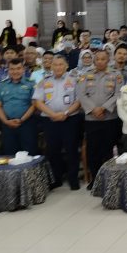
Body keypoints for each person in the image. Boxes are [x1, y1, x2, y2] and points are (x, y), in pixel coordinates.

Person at [32, 55, 83, 190]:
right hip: (50, 120)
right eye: (55, 64)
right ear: (51, 66)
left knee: (71, 149)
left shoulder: (74, 80)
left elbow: (79, 101)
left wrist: (65, 113)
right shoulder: (44, 81)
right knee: (52, 150)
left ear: (66, 66)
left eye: (61, 64)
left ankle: (73, 179)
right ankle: (56, 178)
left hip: (70, 119)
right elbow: (38, 102)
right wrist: (53, 114)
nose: (58, 67)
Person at [78, 50, 123, 189]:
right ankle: (95, 180)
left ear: (108, 60)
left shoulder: (116, 74)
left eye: (103, 59)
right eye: (97, 59)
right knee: (93, 150)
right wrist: (94, 109)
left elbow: (118, 94)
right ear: (94, 60)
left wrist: (103, 108)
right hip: (91, 119)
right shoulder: (85, 75)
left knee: (109, 150)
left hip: (110, 118)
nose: (100, 61)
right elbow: (81, 95)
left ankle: (110, 179)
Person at [0, 59, 37, 155]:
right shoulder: (2, 85)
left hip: (27, 123)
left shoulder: (31, 84)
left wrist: (21, 120)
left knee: (29, 153)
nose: (15, 71)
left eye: (18, 68)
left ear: (23, 69)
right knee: (9, 154)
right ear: (8, 70)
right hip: (7, 124)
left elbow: (34, 105)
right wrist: (6, 121)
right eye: (12, 69)